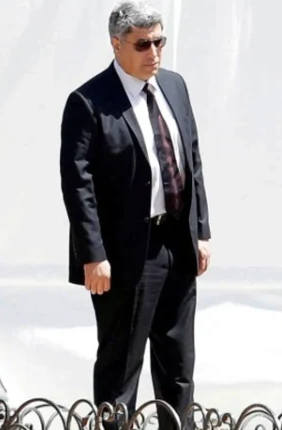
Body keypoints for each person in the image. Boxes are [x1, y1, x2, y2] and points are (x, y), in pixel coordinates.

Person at [59, 1, 211, 428]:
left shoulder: (174, 86)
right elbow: (77, 186)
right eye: (143, 44)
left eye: (159, 41)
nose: (154, 53)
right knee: (121, 369)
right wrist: (93, 255)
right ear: (116, 44)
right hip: (124, 254)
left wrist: (201, 230)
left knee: (178, 367)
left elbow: (192, 160)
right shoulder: (88, 102)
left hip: (176, 243)